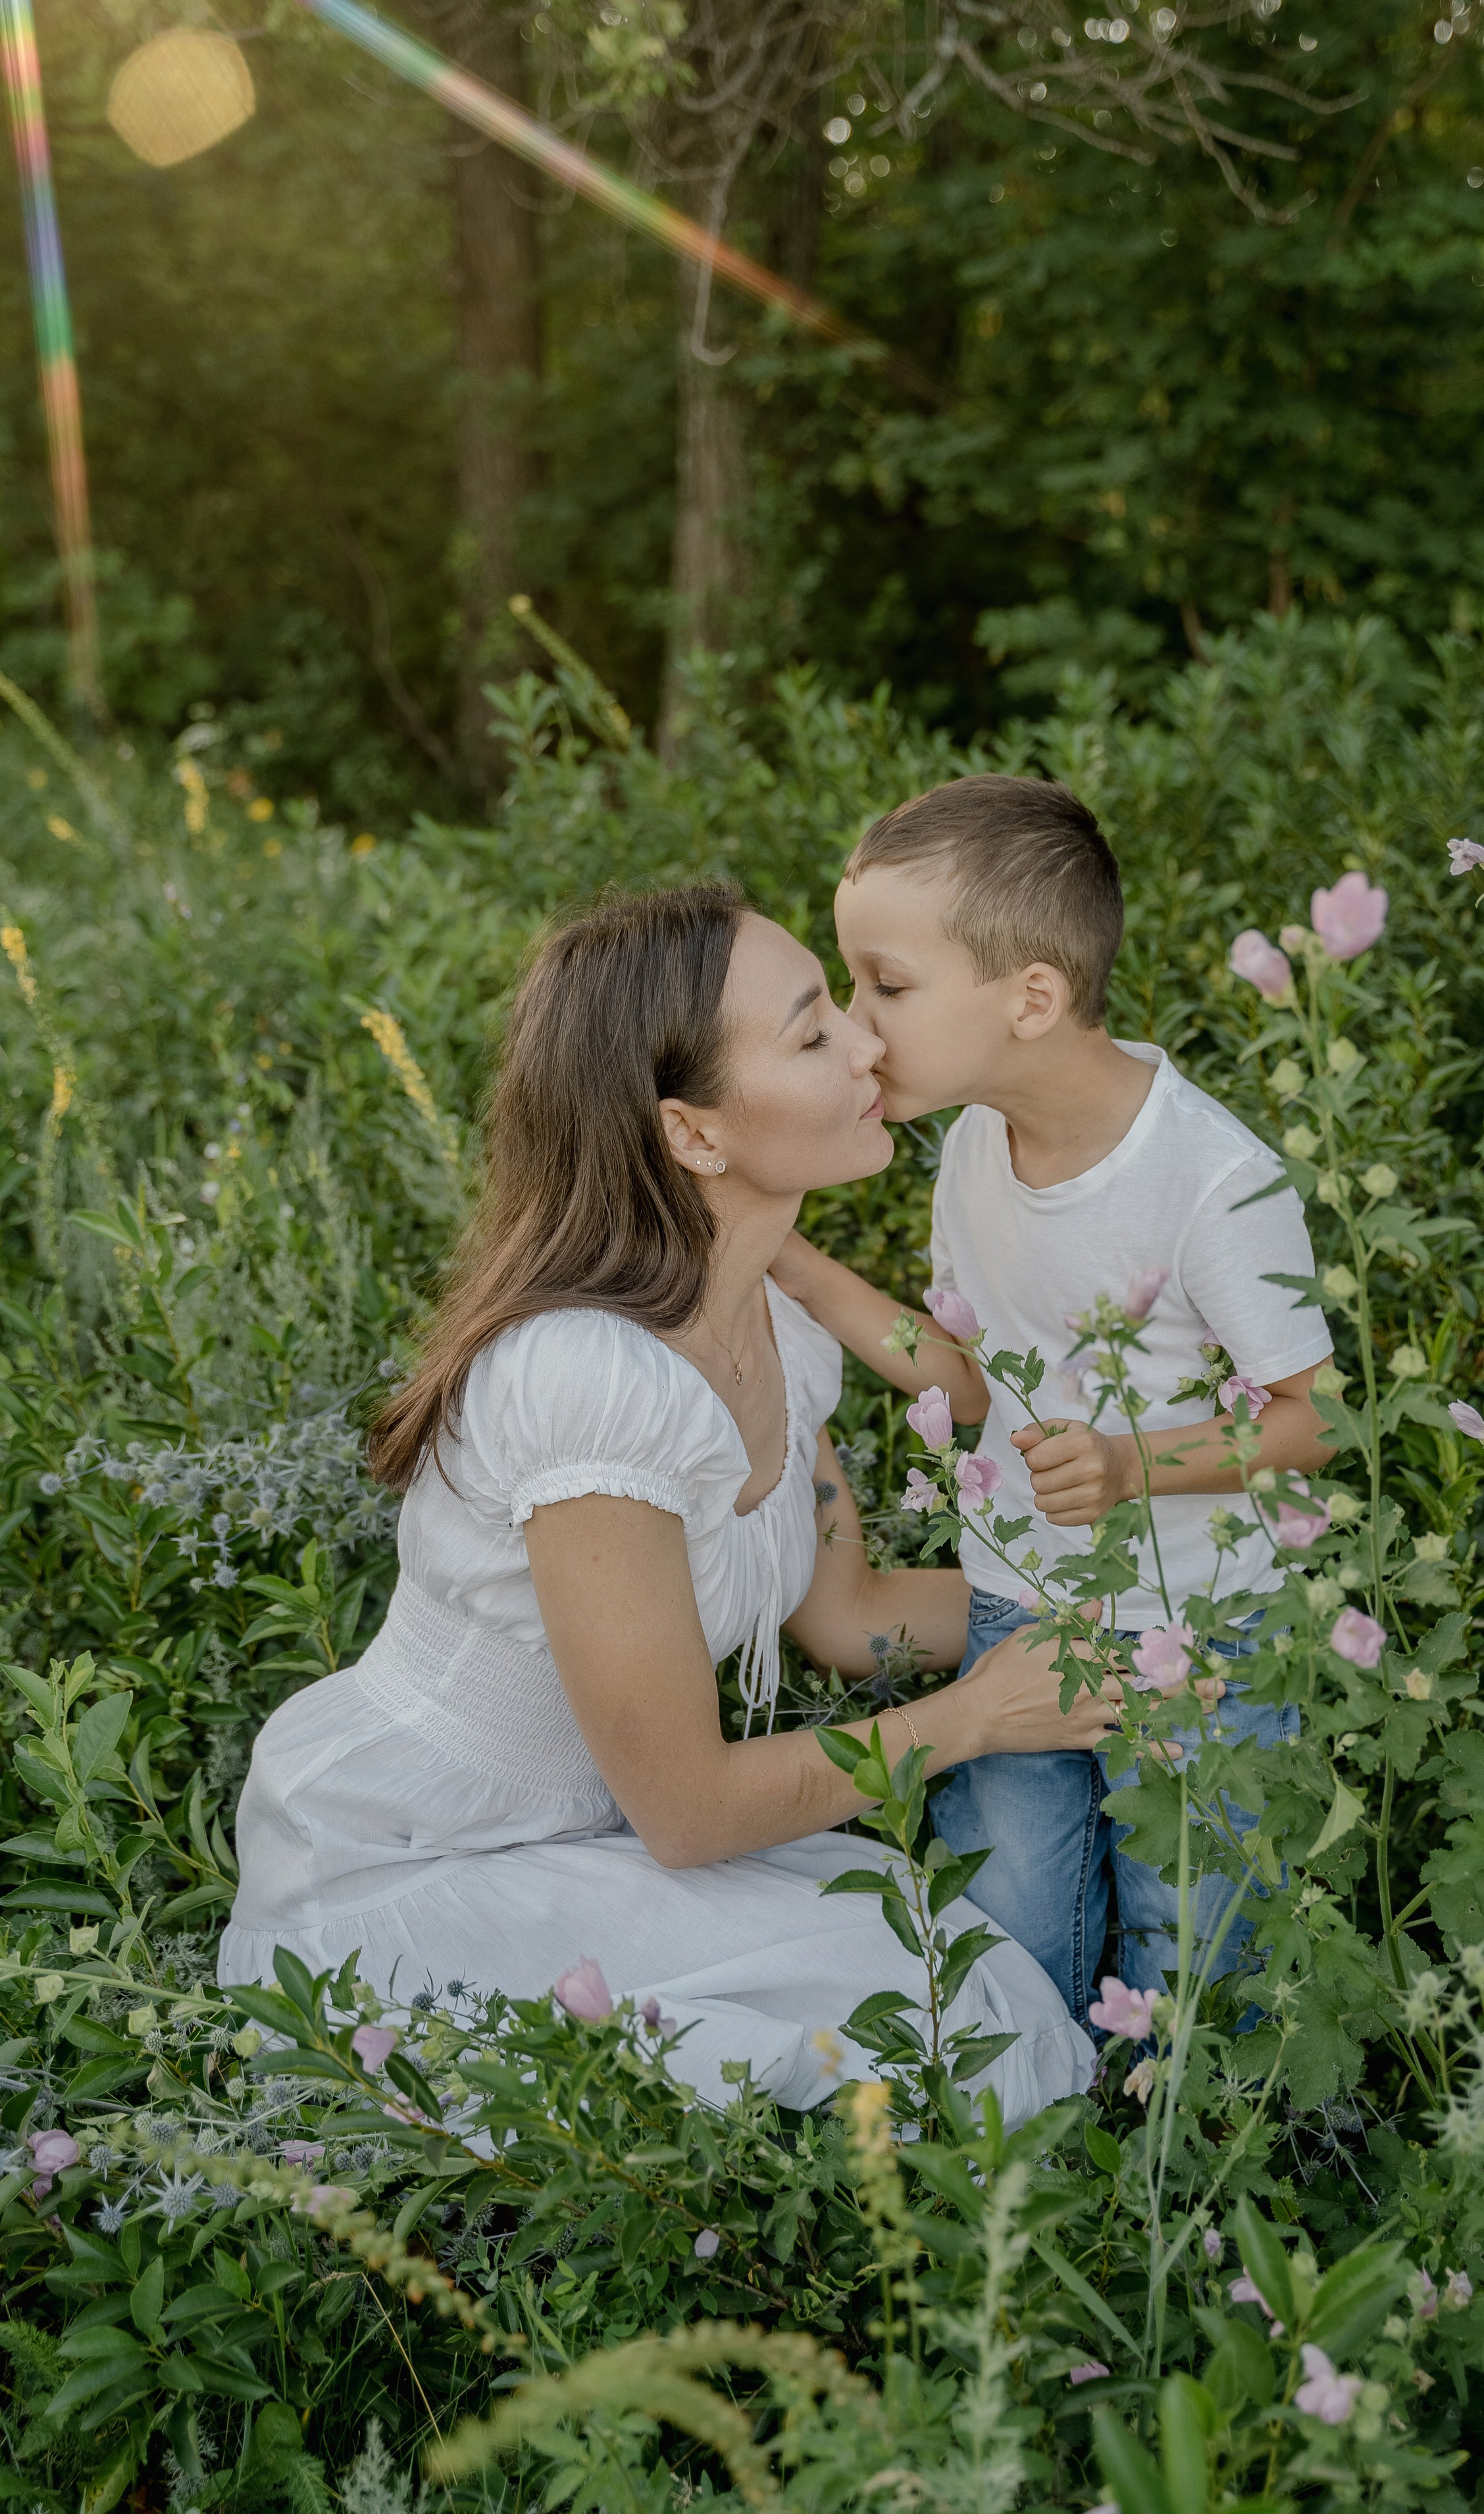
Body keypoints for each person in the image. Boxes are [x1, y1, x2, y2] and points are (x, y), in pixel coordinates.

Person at [220, 885, 1112, 2121]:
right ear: (692, 1134)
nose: (869, 1045)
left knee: (962, 1983)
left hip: (596, 1839)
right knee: (968, 2026)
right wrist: (976, 1718)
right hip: (410, 1871)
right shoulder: (587, 1382)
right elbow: (690, 1812)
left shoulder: (777, 1331)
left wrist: (1104, 1611)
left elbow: (850, 1616)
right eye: (813, 1033)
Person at [769, 775, 1334, 2026]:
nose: (857, 1031)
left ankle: (1186, 2141)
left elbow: (1318, 1418)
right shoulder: (975, 1143)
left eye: (886, 987)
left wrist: (1135, 1465)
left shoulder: (1214, 1181)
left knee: (1195, 1961)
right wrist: (794, 1268)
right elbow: (971, 1378)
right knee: (1011, 1936)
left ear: (1031, 999)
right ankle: (1046, 2129)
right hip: (1017, 1604)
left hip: (1202, 1635)